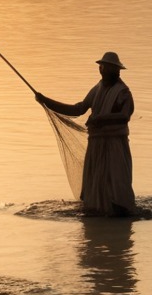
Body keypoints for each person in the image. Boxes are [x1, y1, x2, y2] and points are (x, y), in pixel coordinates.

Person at [36, 52, 138, 217]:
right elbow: (78, 109)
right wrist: (46, 101)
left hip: (115, 144)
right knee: (95, 180)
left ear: (117, 71)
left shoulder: (123, 93)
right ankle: (98, 210)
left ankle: (121, 210)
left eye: (109, 69)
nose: (105, 71)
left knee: (117, 179)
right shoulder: (97, 89)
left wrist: (100, 118)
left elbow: (125, 115)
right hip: (96, 144)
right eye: (103, 68)